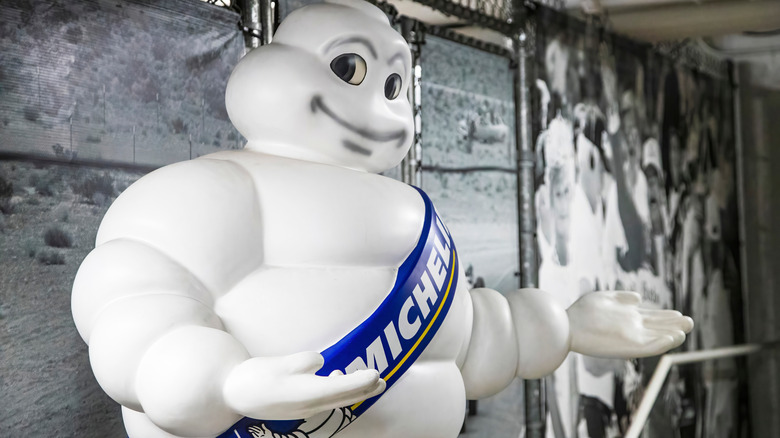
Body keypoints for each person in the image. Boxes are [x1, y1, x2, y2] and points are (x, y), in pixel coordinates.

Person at [71, 3, 694, 437]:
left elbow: (470, 340)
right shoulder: (214, 188)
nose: (377, 102)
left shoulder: (413, 218)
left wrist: (568, 325)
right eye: (351, 68)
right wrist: (216, 382)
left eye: (394, 82)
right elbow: (132, 297)